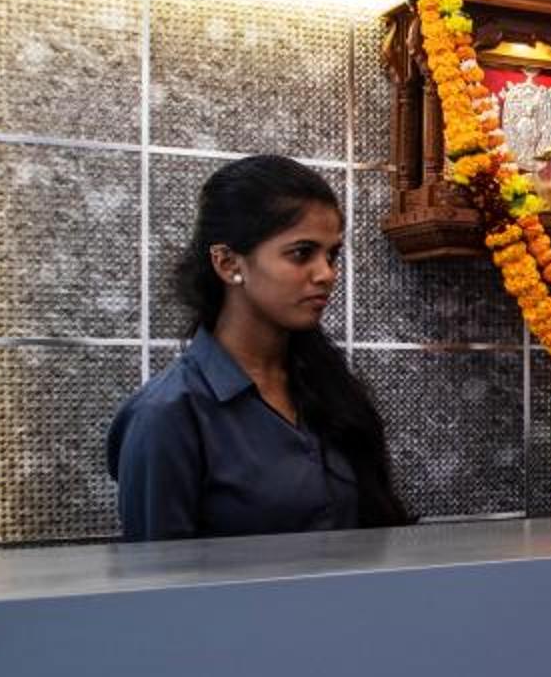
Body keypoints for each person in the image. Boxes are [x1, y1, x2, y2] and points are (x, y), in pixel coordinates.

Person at [107, 155, 411, 541]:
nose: (327, 274)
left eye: (331, 255)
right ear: (228, 263)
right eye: (302, 253)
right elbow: (159, 573)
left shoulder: (329, 391)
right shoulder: (167, 416)